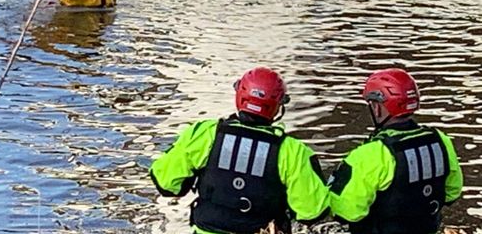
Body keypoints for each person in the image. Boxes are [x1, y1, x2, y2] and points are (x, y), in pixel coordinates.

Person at [149, 67, 329, 234]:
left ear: (239, 96)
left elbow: (166, 182)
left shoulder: (205, 134)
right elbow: (312, 210)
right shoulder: (293, 151)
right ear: (278, 106)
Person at [328, 68, 463, 234]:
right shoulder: (440, 140)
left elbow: (345, 212)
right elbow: (452, 192)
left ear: (377, 107)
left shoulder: (369, 154)